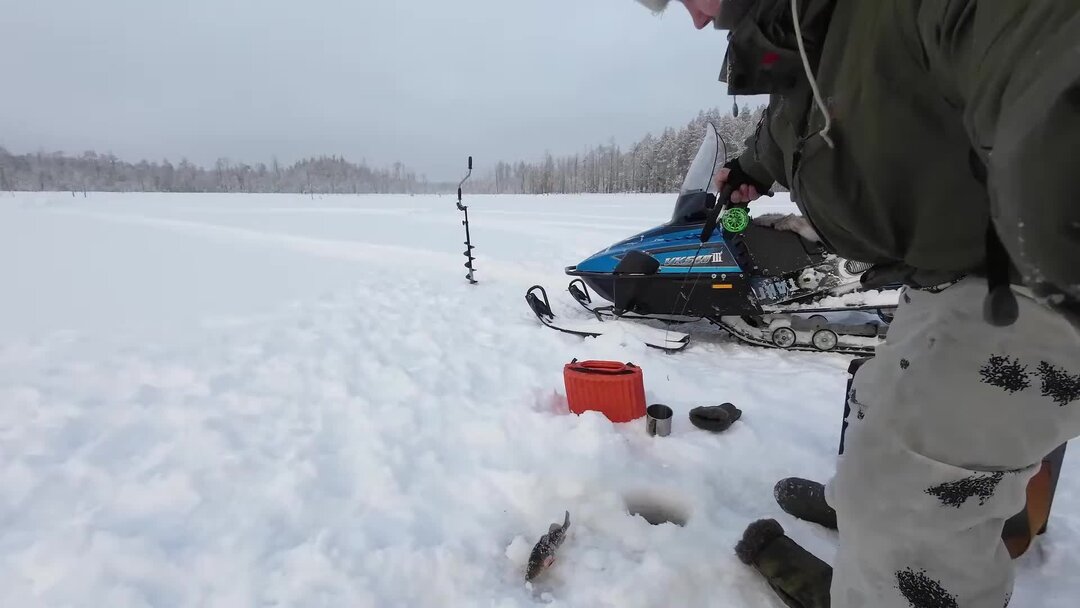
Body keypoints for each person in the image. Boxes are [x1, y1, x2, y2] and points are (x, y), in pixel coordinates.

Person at [633, 1, 1080, 607]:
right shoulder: (802, 27)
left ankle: (891, 562)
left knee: (912, 500)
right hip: (942, 272)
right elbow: (808, 116)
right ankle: (861, 510)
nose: (692, 18)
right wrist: (753, 167)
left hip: (1029, 278)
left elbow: (1045, 46)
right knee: (876, 405)